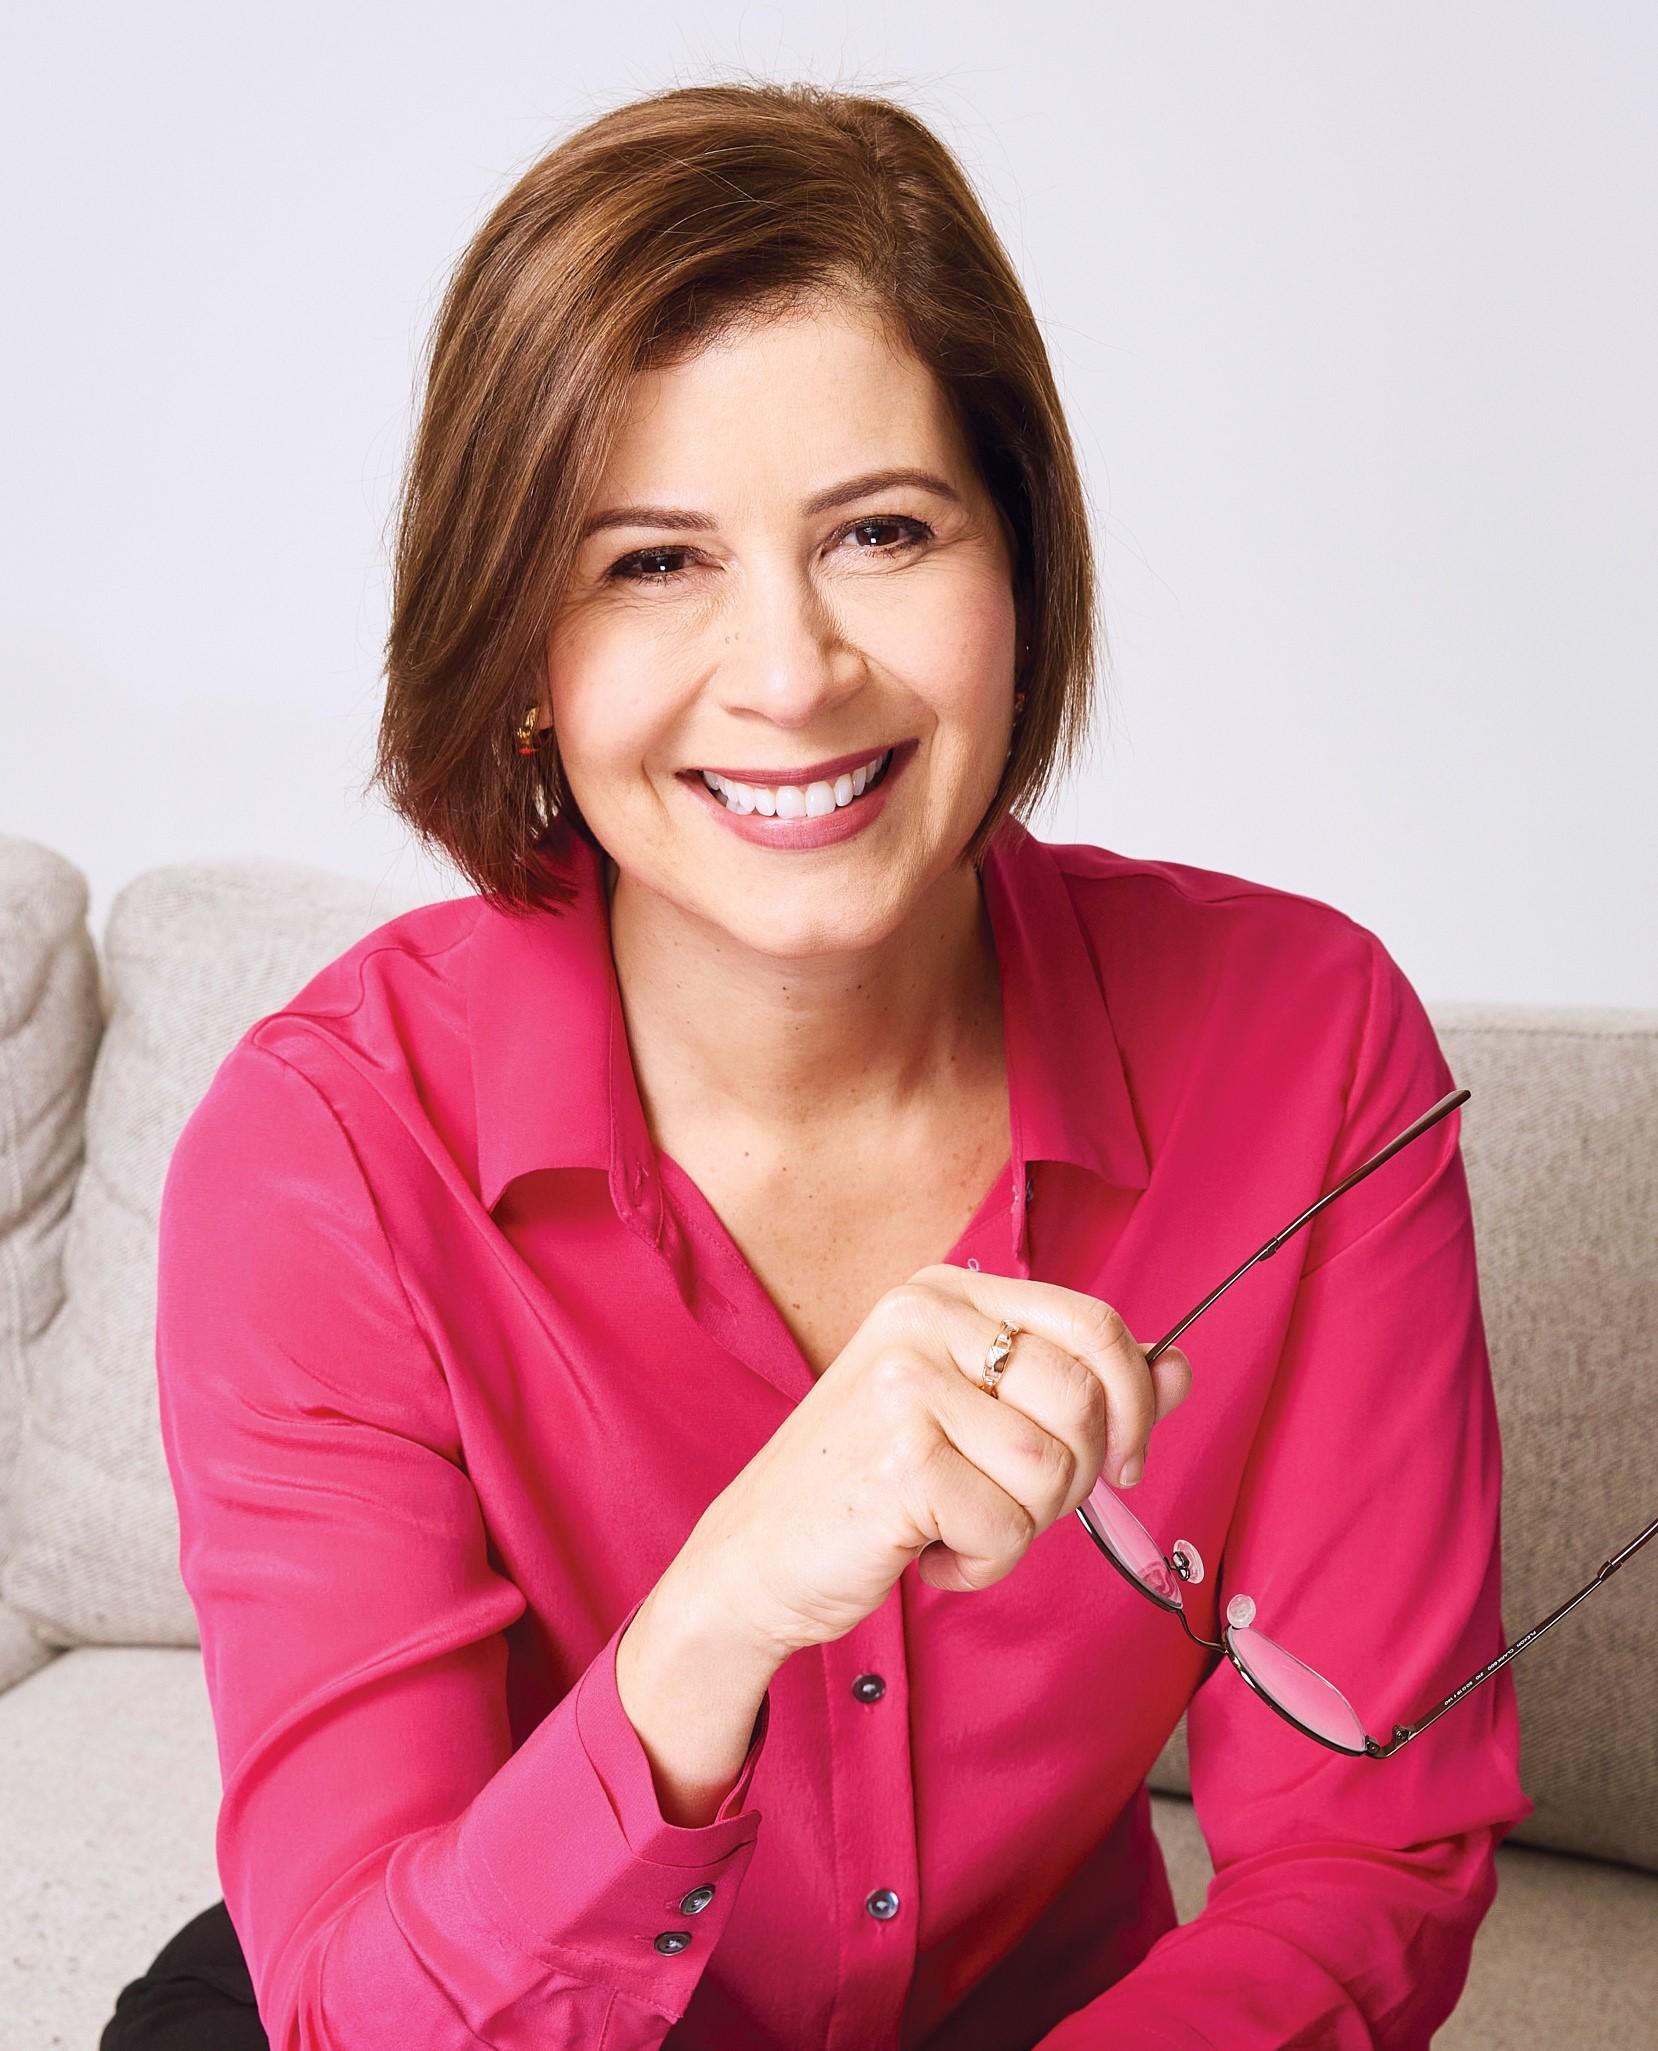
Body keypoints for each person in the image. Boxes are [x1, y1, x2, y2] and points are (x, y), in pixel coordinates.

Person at [104, 77, 1532, 2051]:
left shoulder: (1308, 1048)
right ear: (516, 651)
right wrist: (721, 1611)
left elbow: (1368, 1856)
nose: (788, 675)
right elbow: (357, 2006)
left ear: (1017, 569)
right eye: (649, 562)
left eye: (880, 531)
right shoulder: (326, 1151)